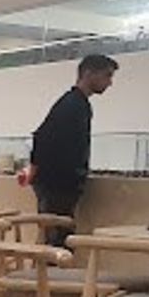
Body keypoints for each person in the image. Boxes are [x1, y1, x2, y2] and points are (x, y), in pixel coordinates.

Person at [28, 54, 117, 244]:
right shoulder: (73, 104)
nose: (109, 83)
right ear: (88, 73)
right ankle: (48, 273)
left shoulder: (75, 103)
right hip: (57, 183)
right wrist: (36, 170)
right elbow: (42, 137)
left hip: (58, 182)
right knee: (57, 237)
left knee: (56, 234)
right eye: (106, 76)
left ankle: (47, 272)